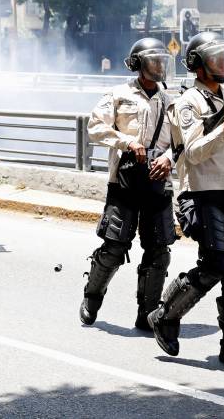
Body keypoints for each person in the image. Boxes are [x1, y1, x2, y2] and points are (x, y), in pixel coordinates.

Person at [147, 32, 224, 366]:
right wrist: (223, 127)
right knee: (215, 263)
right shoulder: (188, 104)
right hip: (200, 193)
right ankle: (165, 315)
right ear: (198, 65)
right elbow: (195, 152)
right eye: (216, 58)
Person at [80, 38, 175, 330]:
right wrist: (128, 142)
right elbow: (95, 126)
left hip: (159, 184)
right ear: (137, 64)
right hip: (124, 183)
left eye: (162, 61)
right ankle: (92, 298)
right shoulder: (118, 94)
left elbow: (184, 141)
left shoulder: (171, 99)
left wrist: (169, 158)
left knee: (159, 251)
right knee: (113, 248)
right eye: (153, 60)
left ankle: (147, 315)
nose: (159, 66)